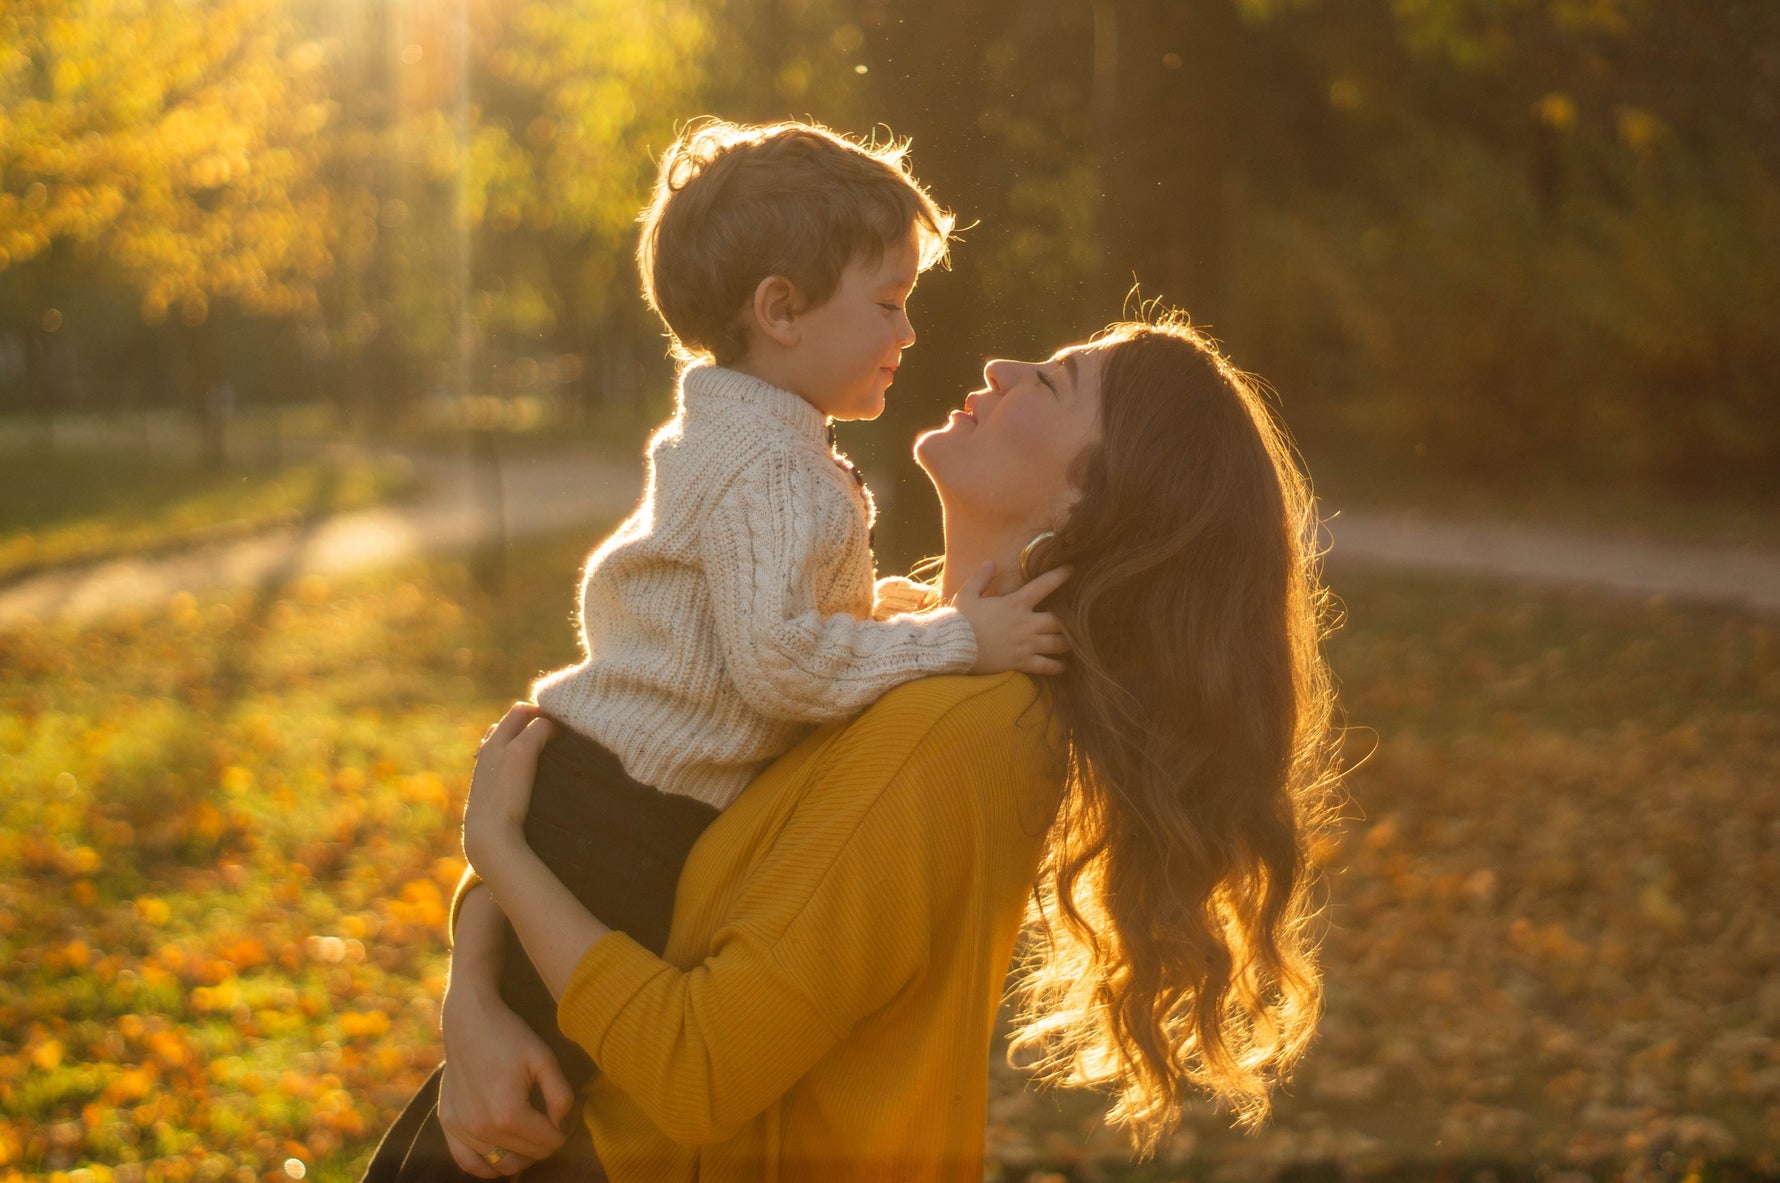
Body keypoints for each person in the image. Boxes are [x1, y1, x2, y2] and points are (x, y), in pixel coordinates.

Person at [434, 313, 1345, 1180]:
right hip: (539, 1117)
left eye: (1053, 381)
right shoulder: (865, 643)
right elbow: (611, 811)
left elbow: (697, 1069)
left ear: (1086, 499)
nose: (1000, 368)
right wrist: (472, 1000)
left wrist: (497, 851)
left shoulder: (960, 731)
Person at [361, 119, 1067, 1182]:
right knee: (515, 1113)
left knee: (501, 1096)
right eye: (886, 302)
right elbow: (783, 664)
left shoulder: (755, 437)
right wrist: (959, 638)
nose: (912, 331)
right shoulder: (774, 469)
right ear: (778, 310)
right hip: (625, 816)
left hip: (599, 798)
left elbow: (790, 631)